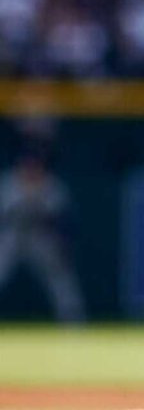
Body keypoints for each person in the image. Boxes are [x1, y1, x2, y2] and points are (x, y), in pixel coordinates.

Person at [0, 133, 86, 324]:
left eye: (35, 165)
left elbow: (61, 220)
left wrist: (62, 245)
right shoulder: (9, 183)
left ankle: (72, 320)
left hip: (40, 237)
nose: (31, 169)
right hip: (12, 235)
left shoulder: (51, 185)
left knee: (59, 276)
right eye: (28, 165)